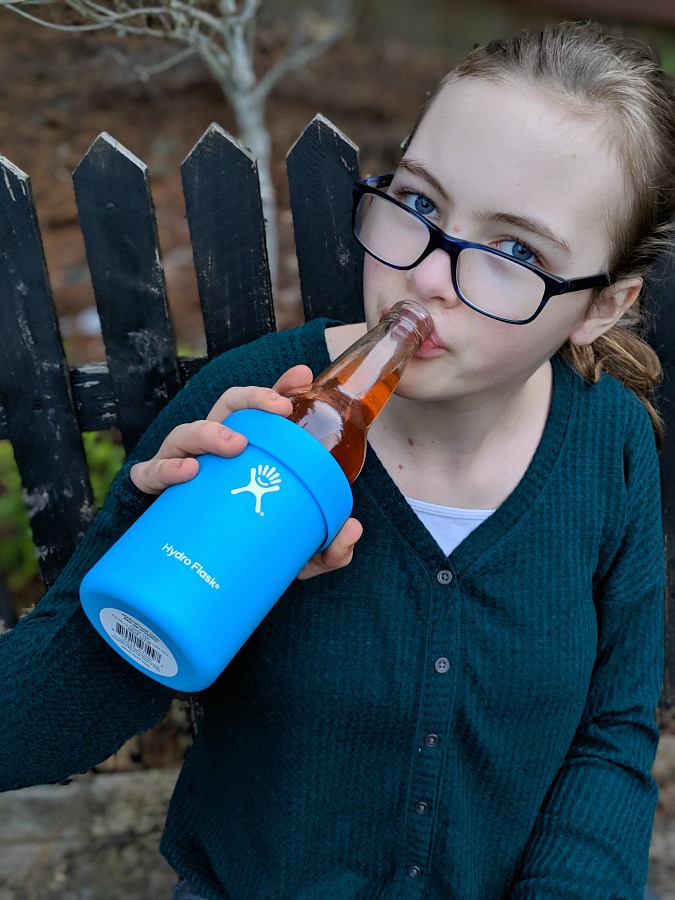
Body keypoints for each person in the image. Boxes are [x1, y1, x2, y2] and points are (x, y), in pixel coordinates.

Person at [0, 20, 671, 900]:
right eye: (421, 205)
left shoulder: (610, 447)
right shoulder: (249, 414)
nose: (427, 276)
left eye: (515, 252)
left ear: (600, 307)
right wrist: (151, 543)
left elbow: (610, 731)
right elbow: (34, 734)